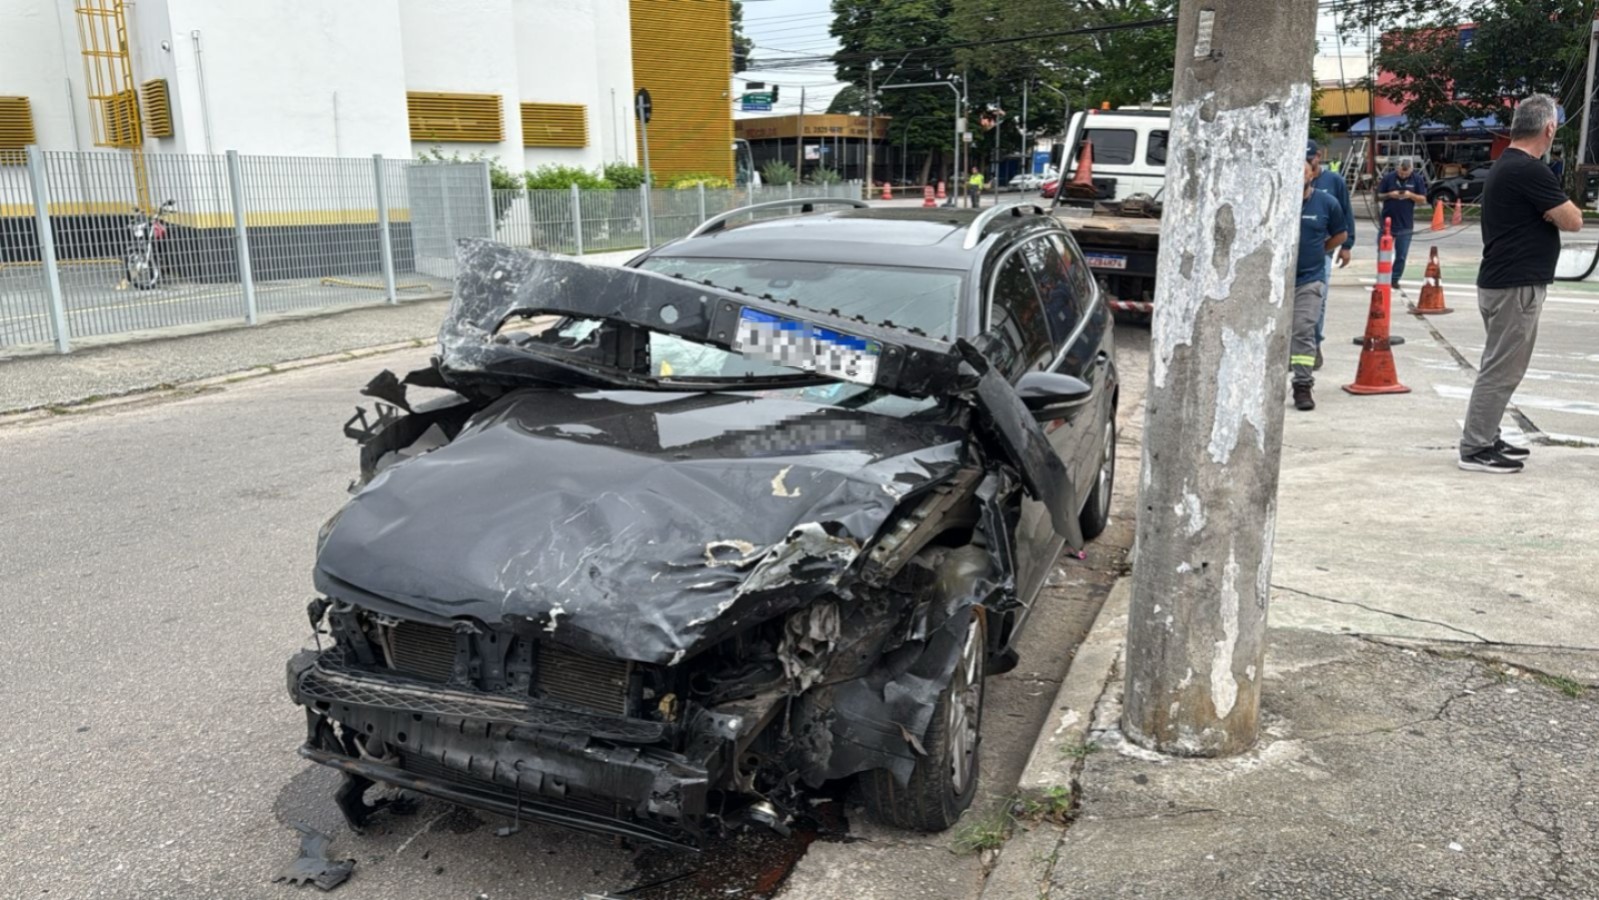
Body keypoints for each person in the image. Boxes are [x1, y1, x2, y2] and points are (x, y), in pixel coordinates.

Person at [1458, 94, 1583, 473]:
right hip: (1515, 286)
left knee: (1500, 365)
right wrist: (1554, 213)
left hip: (1503, 281)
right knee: (1502, 369)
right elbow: (1573, 219)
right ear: (1549, 128)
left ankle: (1486, 434)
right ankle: (1476, 448)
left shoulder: (1506, 165)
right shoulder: (1529, 170)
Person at [1291, 154, 1350, 412]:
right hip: (1274, 282)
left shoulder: (1327, 203)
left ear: (1311, 174)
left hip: (1309, 279)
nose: (1299, 176)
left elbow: (1341, 233)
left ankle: (1302, 384)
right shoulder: (1274, 202)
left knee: (1304, 329)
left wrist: (1321, 251)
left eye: (1303, 171)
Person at [1310, 142, 1354, 369]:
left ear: (1318, 157)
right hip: (1299, 251)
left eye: (1310, 160)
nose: (1307, 166)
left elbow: (1345, 215)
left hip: (1323, 251)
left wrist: (1346, 246)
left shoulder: (1333, 183)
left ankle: (1314, 344)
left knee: (1318, 299)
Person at [1376, 157, 1428, 292]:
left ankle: (1394, 279)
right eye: (1401, 173)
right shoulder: (1388, 178)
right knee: (1382, 252)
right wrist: (1390, 194)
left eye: (1406, 173)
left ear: (1411, 169)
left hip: (1405, 224)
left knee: (1401, 254)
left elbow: (1423, 199)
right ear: (1397, 168)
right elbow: (1378, 196)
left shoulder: (1417, 179)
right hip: (1387, 222)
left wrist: (1410, 195)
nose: (1403, 175)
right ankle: (1382, 277)